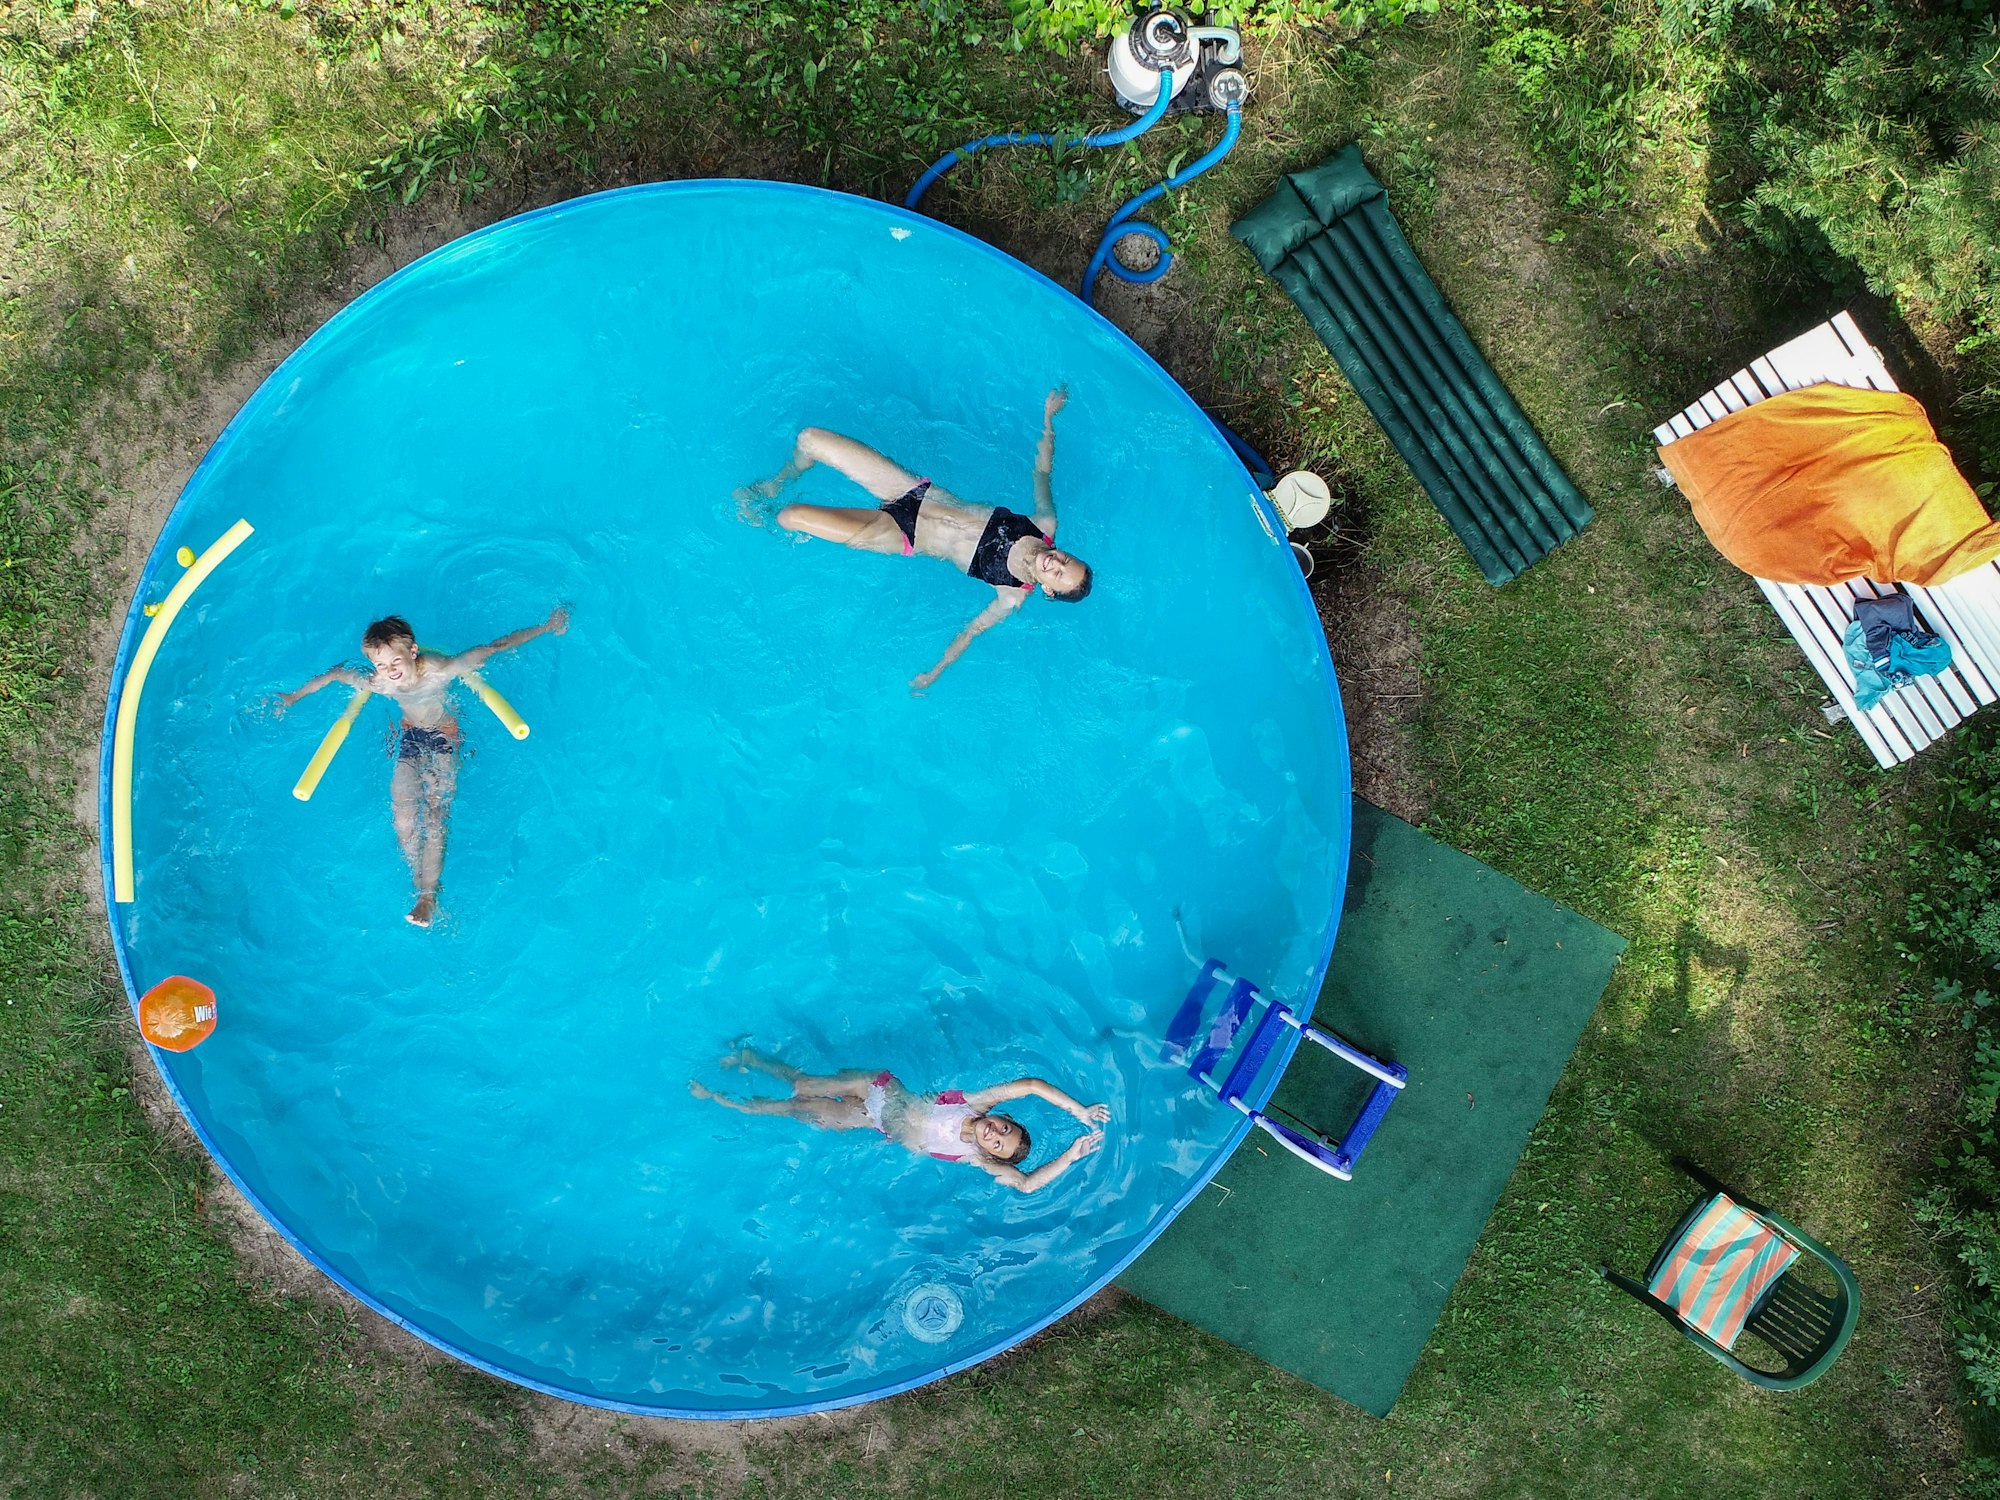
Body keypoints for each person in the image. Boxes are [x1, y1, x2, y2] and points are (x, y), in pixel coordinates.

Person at [741, 386, 1092, 690]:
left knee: (791, 517)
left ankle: (764, 518)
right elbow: (1042, 471)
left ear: (1048, 590)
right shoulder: (1043, 522)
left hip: (901, 534)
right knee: (810, 438)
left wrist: (935, 672)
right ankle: (775, 483)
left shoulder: (1011, 595)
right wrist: (1048, 420)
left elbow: (970, 633)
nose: (1056, 564)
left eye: (1058, 576)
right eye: (1066, 560)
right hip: (912, 490)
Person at [276, 607, 568, 927]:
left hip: (444, 737)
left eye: (395, 661)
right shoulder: (381, 683)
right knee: (402, 819)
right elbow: (335, 674)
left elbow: (496, 646)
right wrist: (293, 696)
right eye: (381, 665)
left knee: (434, 814)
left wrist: (545, 626)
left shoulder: (440, 670)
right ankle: (421, 879)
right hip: (411, 738)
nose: (389, 670)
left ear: (413, 651)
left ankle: (428, 897)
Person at [689, 1044, 1110, 1194]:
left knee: (799, 1113)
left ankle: (722, 1100)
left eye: (998, 1144)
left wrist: (1072, 1155)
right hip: (876, 1088)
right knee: (803, 1086)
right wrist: (1080, 1111)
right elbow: (1032, 1085)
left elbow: (1028, 1184)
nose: (995, 1134)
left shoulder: (973, 1158)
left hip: (873, 1122)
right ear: (1000, 1115)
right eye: (1005, 1127)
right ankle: (746, 1056)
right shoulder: (974, 1104)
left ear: (990, 1155)